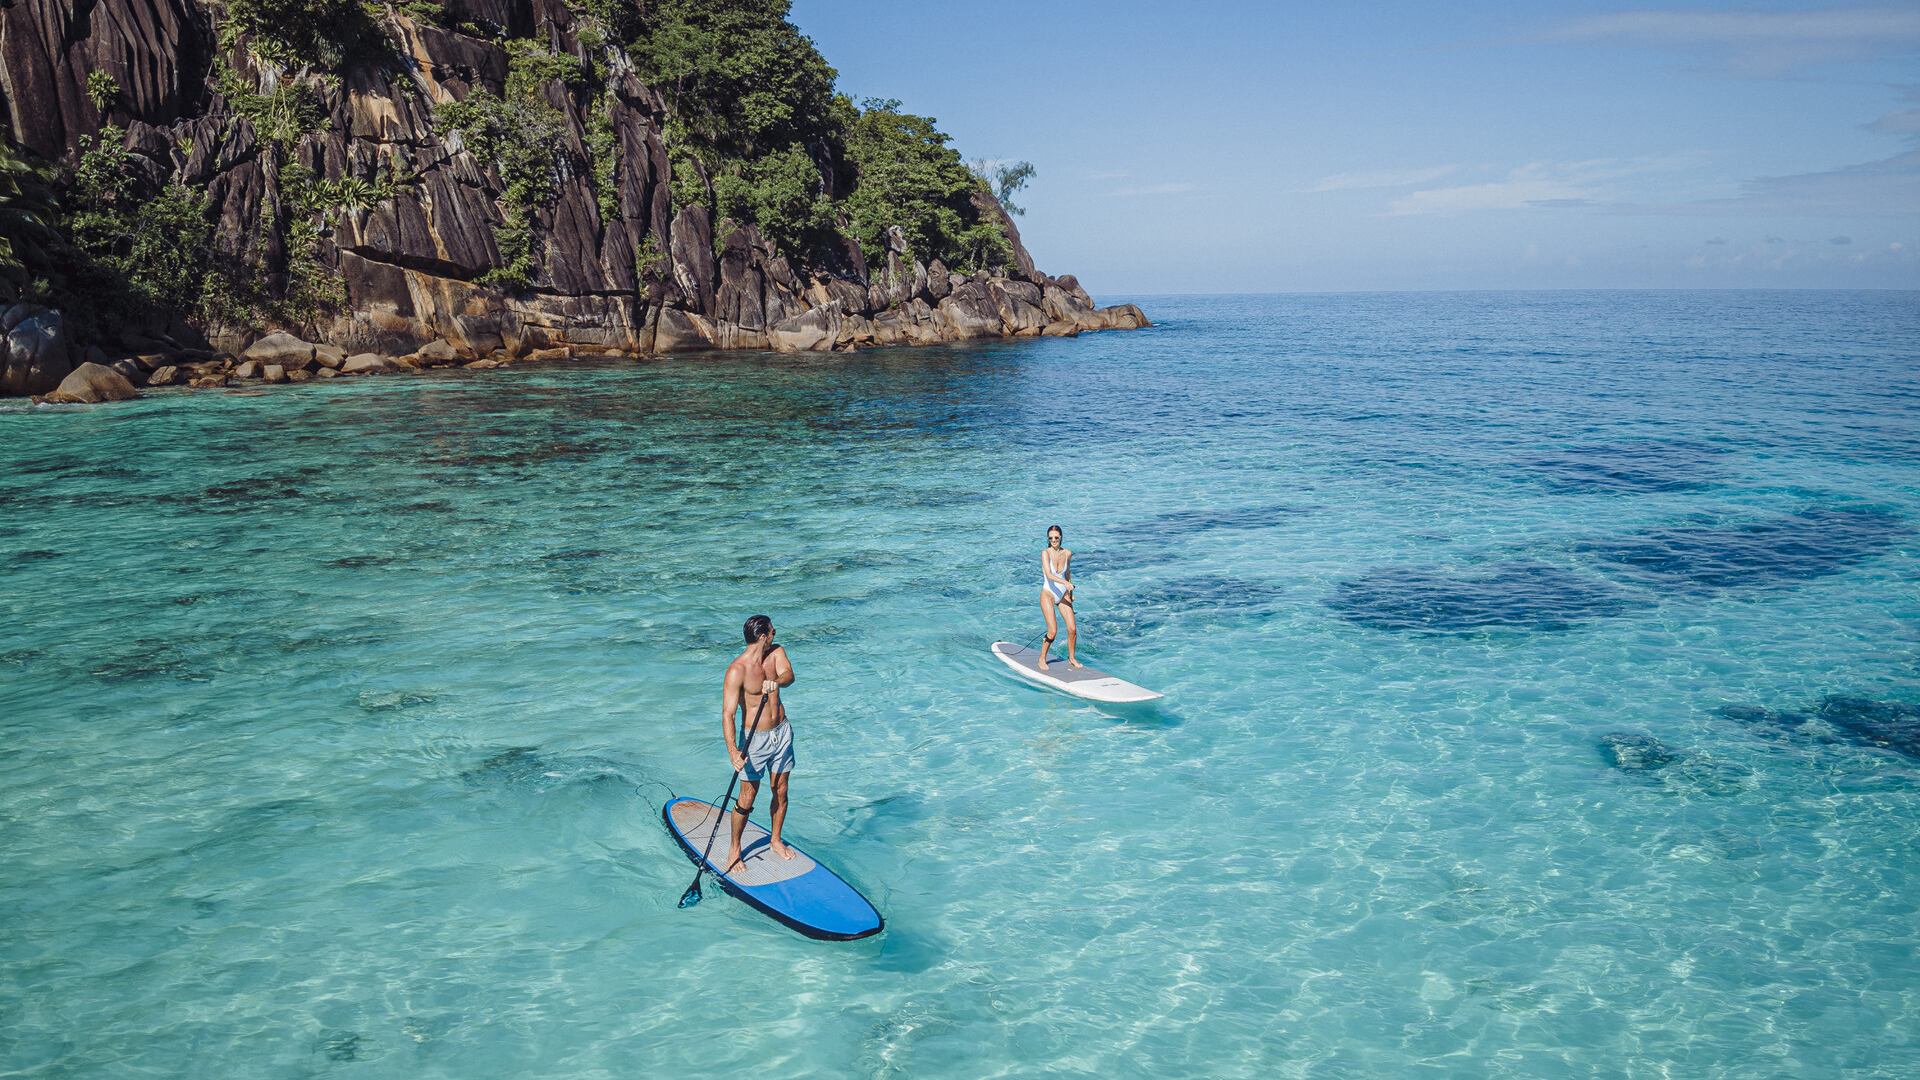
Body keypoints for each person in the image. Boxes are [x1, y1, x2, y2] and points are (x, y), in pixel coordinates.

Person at [721, 614, 796, 872]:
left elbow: (789, 675)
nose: (776, 634)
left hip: (782, 732)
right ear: (763, 636)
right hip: (755, 739)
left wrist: (776, 682)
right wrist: (733, 749)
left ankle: (775, 840)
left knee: (781, 789)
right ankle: (734, 848)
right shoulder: (737, 671)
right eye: (773, 631)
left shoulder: (776, 653)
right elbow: (728, 713)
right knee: (747, 796)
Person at [1038, 524, 1083, 670]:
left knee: (1072, 629)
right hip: (1048, 595)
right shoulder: (1045, 553)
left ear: (1061, 537)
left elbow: (1067, 572)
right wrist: (1065, 583)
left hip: (1063, 595)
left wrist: (1070, 592)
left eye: (1056, 537)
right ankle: (1041, 659)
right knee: (1053, 631)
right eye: (1050, 538)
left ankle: (1072, 658)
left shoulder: (1067, 553)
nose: (1053, 540)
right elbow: (1049, 574)